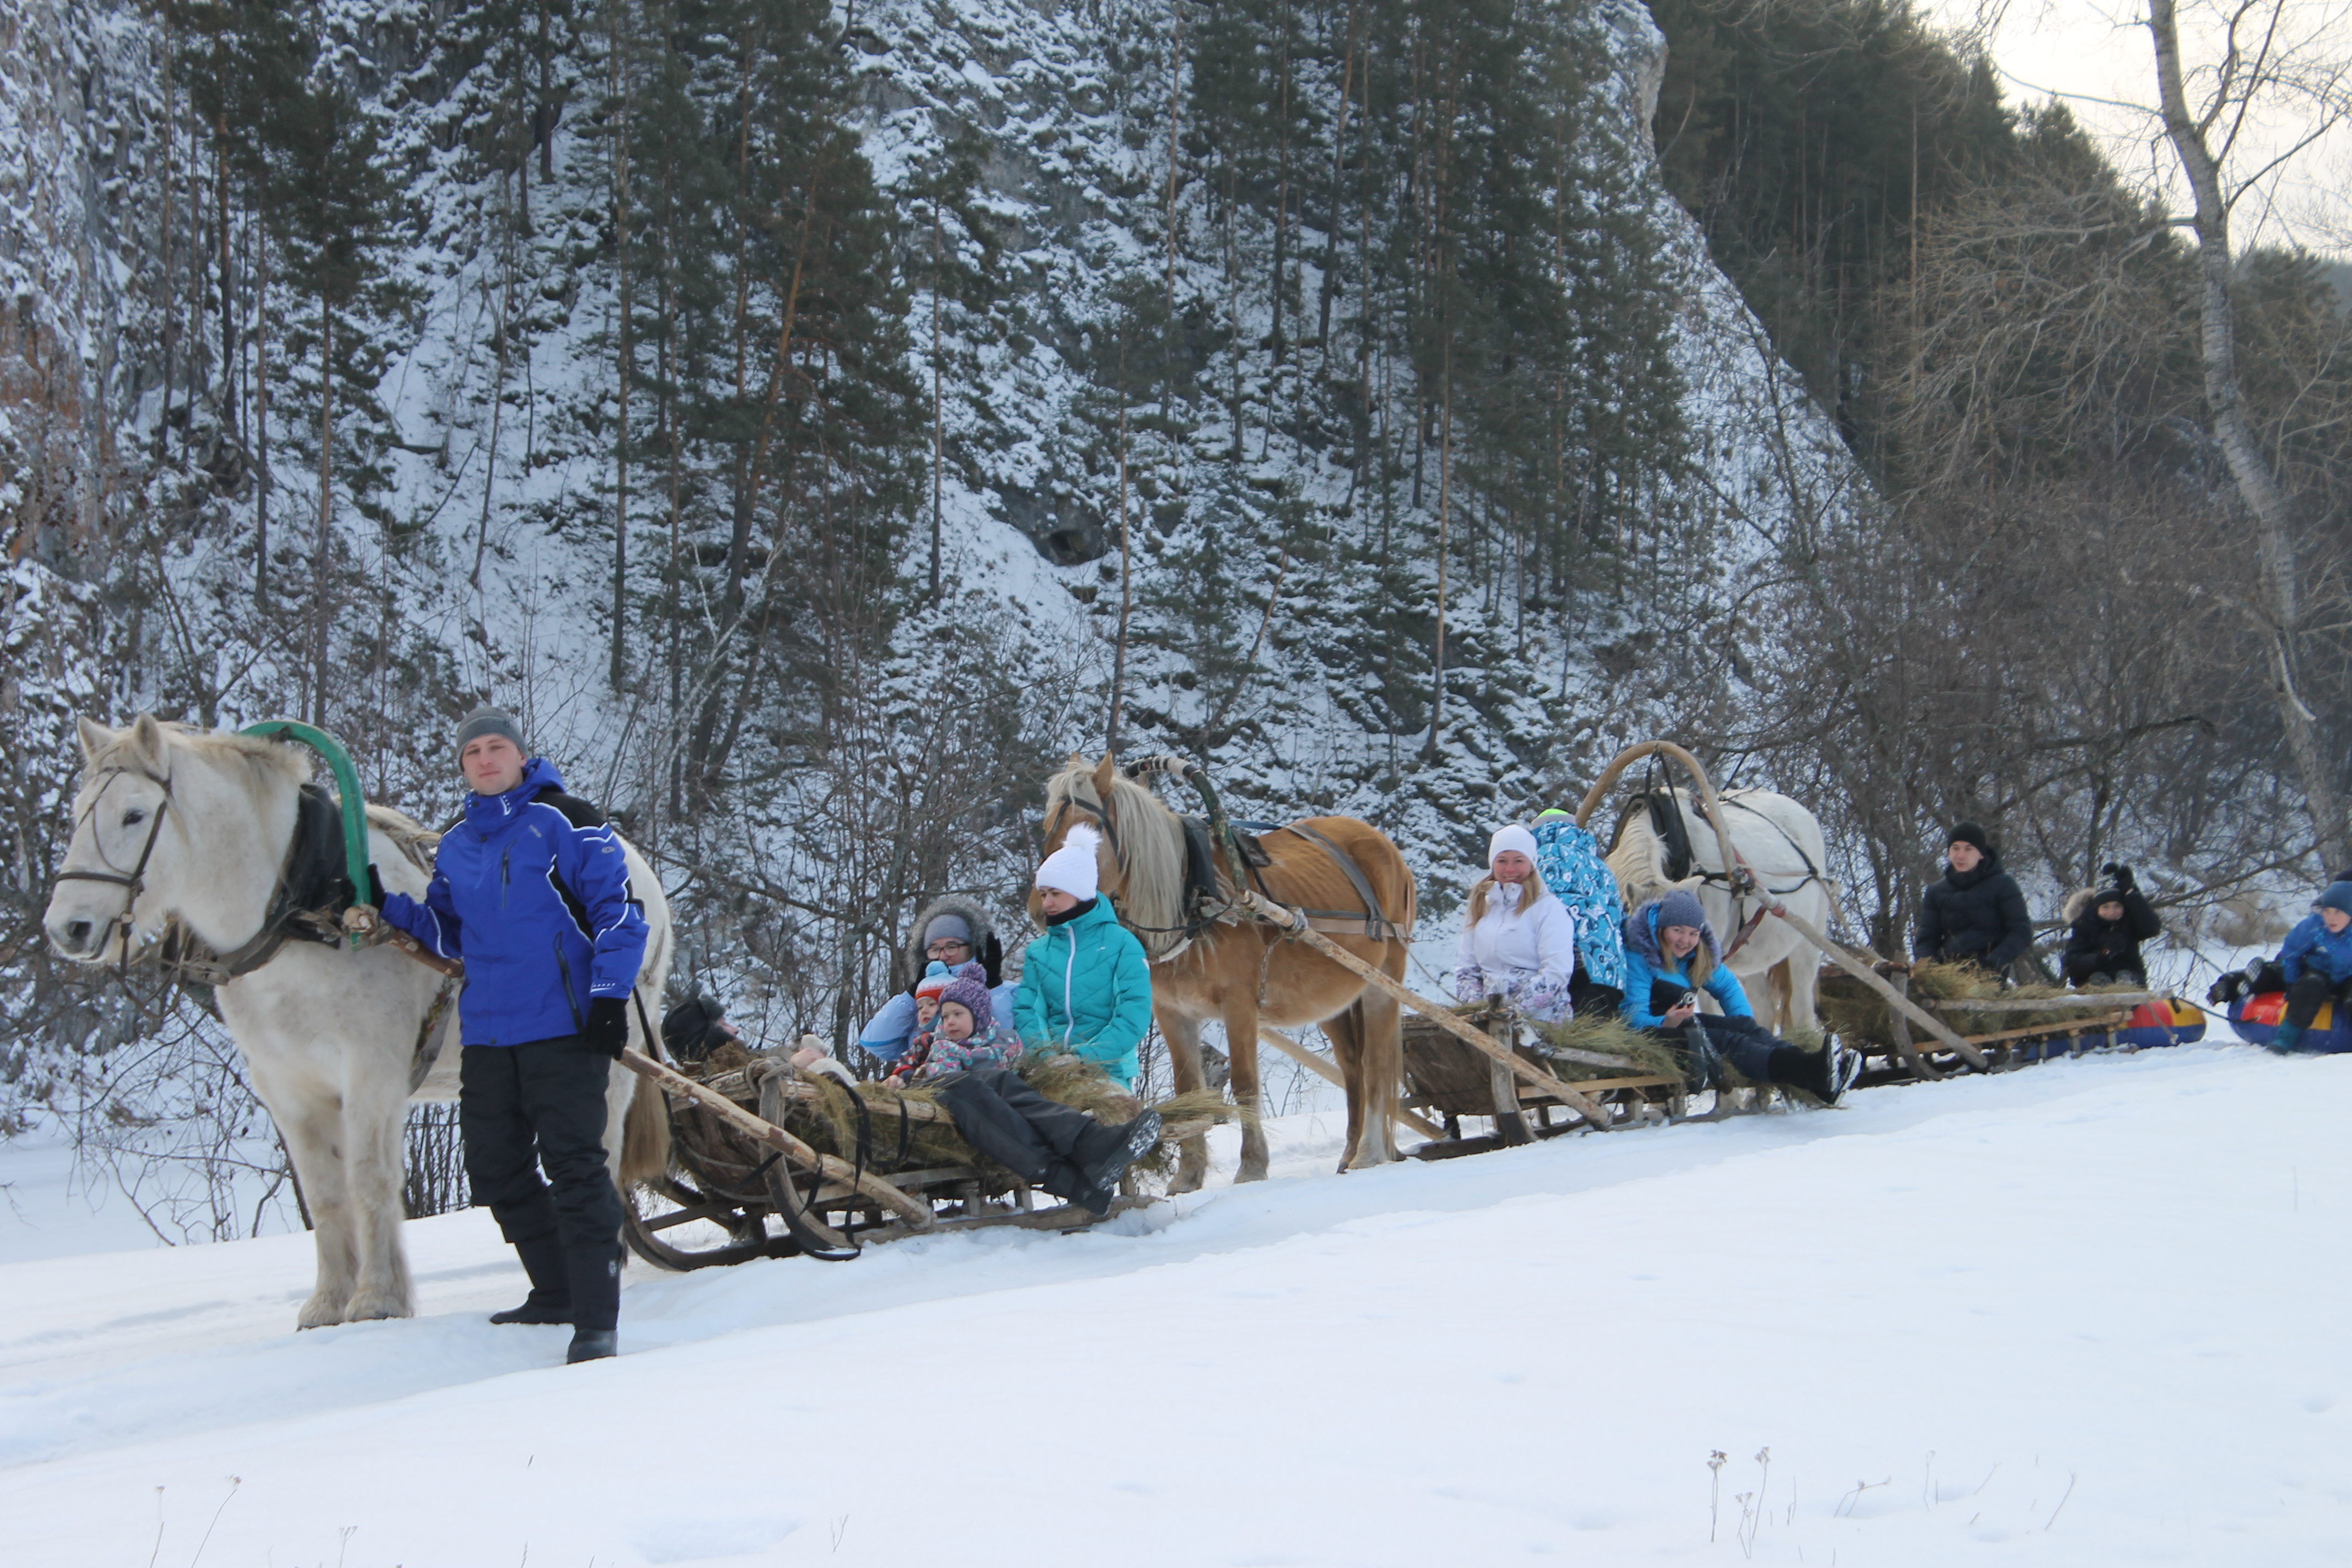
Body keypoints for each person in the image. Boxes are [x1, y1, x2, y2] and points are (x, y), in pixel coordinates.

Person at [352, 706, 646, 1364]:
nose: (485, 759)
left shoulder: (570, 820)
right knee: (493, 1167)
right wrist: (387, 904)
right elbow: (449, 930)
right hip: (487, 1033)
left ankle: (597, 1319)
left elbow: (619, 915)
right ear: (463, 766)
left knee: (574, 1165)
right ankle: (555, 1290)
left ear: (519, 754)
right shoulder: (457, 840)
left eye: (496, 747)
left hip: (564, 1026)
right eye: (472, 752)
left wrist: (608, 999)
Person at [1619, 890, 1857, 1103]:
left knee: (1747, 1030)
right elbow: (1633, 1018)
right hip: (1652, 1035)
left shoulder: (1696, 954)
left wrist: (1742, 1022)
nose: (1685, 940)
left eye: (1693, 933)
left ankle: (1819, 1074)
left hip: (1683, 1027)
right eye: (1677, 931)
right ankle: (1814, 1071)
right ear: (1662, 929)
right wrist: (1664, 1023)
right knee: (1731, 1043)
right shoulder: (1641, 956)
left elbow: (1728, 987)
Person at [1012, 824, 1153, 1090]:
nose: (1046, 904)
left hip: (1107, 1073)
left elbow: (1133, 1014)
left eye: (1055, 893)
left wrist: (1084, 1059)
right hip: (1049, 1072)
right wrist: (1046, 1057)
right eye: (1044, 894)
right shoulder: (1038, 952)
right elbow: (1028, 1009)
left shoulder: (1124, 945)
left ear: (1080, 893)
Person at [855, 896, 1017, 1065]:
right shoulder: (922, 1000)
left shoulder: (1008, 992)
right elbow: (876, 1042)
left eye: (952, 946)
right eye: (934, 949)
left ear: (973, 947)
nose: (942, 956)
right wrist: (912, 996)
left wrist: (992, 989)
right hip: (925, 1086)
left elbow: (1006, 1043)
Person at [1452, 824, 1577, 1022]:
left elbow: (1557, 972)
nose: (1510, 869)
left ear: (1532, 863)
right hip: (1487, 1016)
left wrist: (1515, 1010)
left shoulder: (1549, 908)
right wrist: (1476, 1009)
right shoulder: (1480, 906)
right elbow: (1467, 969)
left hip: (1539, 1019)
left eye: (1519, 861)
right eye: (1502, 861)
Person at [1531, 808, 1629, 1016]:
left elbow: (1547, 912)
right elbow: (1619, 916)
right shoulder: (1602, 867)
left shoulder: (1546, 857)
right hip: (1612, 973)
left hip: (1578, 970)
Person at [1914, 821, 2033, 979]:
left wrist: (1994, 963)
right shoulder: (1936, 892)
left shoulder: (2003, 885)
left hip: (1988, 977)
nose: (1960, 855)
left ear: (1981, 854)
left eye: (1968, 849)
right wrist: (1928, 969)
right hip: (1947, 975)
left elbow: (2021, 931)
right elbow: (1927, 937)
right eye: (1955, 848)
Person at [888, 975, 1022, 1084]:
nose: (950, 1022)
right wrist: (908, 1076)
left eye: (957, 1014)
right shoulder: (938, 1045)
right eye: (945, 1016)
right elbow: (909, 1064)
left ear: (978, 1017)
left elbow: (1026, 1071)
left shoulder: (1006, 1041)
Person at [2267, 881, 2352, 1054]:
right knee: (2309, 986)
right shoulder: (2314, 926)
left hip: (2349, 975)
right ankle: (2285, 1038)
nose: (2331, 918)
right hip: (2319, 971)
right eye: (2327, 911)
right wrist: (2292, 983)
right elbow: (2291, 953)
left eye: (2338, 912)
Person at [2060, 864, 2162, 988]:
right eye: (2105, 907)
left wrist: (2132, 893)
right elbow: (2071, 963)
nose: (2112, 912)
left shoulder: (2128, 921)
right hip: (2093, 979)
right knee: (2098, 980)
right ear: (2097, 908)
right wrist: (2102, 956)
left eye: (2117, 906)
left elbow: (2152, 928)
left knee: (2127, 979)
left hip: (2130, 976)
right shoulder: (2084, 925)